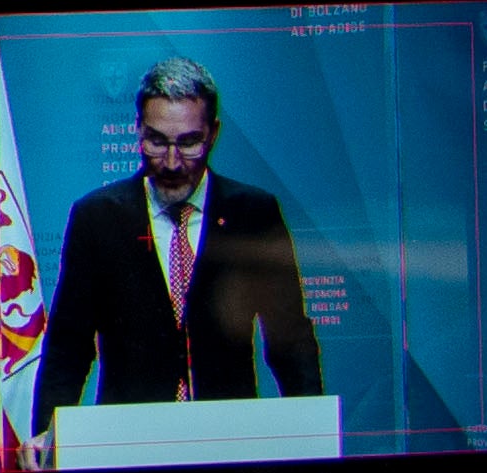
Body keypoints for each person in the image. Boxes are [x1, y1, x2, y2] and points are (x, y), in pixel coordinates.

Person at [37, 57, 327, 417]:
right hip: (129, 432)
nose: (172, 162)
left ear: (213, 133)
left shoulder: (253, 215)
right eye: (157, 142)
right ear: (138, 131)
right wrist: (47, 432)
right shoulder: (97, 218)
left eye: (189, 143)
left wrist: (311, 427)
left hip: (229, 430)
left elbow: (289, 339)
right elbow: (69, 344)